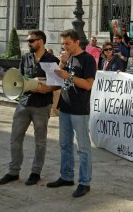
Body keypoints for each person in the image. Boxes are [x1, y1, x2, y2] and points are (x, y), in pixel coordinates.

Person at [0, 30, 59, 186]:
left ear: (41, 41)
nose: (29, 43)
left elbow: (57, 83)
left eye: (31, 41)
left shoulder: (52, 60)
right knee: (15, 139)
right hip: (24, 103)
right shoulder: (25, 58)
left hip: (41, 105)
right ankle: (13, 172)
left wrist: (47, 89)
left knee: (40, 142)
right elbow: (19, 79)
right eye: (28, 41)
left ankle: (35, 172)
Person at [48, 29, 96, 198]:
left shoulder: (88, 60)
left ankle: (85, 182)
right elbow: (57, 79)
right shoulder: (67, 58)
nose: (65, 46)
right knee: (64, 145)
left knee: (83, 148)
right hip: (65, 107)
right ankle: (66, 176)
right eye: (63, 44)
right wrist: (61, 64)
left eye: (67, 43)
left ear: (77, 42)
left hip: (79, 110)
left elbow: (88, 85)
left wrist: (68, 76)